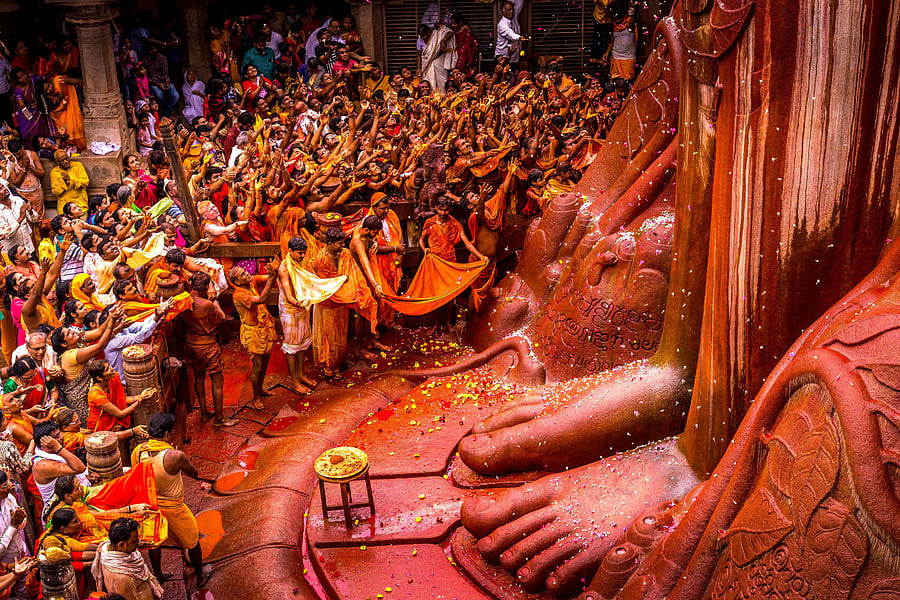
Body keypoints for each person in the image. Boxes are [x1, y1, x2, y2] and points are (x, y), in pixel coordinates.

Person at [131, 412, 211, 586]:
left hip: (151, 504)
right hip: (174, 507)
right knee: (192, 539)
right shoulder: (175, 456)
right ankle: (200, 574)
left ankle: (158, 574)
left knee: (156, 541)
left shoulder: (137, 451)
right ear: (167, 434)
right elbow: (194, 472)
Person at [277, 236, 345, 392]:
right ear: (290, 251)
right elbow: (288, 295)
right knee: (292, 346)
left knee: (302, 344)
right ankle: (294, 381)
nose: (302, 256)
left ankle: (301, 375)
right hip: (290, 310)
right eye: (299, 253)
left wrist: (330, 286)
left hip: (303, 307)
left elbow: (312, 281)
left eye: (303, 253)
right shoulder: (284, 269)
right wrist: (300, 303)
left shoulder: (303, 262)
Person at [311, 228, 379, 380]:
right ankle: (330, 367)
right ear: (330, 243)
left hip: (343, 303)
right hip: (328, 304)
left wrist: (360, 294)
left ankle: (338, 362)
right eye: (339, 244)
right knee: (329, 336)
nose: (342, 246)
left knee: (341, 336)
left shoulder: (346, 254)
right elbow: (326, 286)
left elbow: (354, 275)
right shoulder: (320, 260)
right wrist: (346, 289)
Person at [181, 272, 235, 427]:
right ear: (205, 287)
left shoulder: (185, 300)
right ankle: (219, 418)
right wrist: (215, 301)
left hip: (191, 344)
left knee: (199, 378)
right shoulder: (207, 304)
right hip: (208, 346)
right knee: (217, 382)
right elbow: (222, 317)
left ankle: (204, 413)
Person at [230, 263, 278, 407]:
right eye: (243, 275)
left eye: (245, 271)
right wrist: (271, 280)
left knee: (265, 360)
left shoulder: (251, 281)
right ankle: (256, 396)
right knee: (258, 364)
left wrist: (271, 271)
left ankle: (261, 389)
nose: (247, 274)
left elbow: (265, 277)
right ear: (237, 282)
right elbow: (261, 299)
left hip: (263, 326)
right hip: (253, 331)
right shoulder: (239, 295)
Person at [92, 517, 163, 600]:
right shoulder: (122, 579)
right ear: (121, 545)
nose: (138, 543)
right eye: (134, 541)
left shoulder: (106, 548)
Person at [86, 359, 153, 432]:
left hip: (115, 420)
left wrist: (141, 396)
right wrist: (140, 401)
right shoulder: (96, 395)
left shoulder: (114, 378)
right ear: (99, 378)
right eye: (107, 369)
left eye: (109, 366)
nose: (112, 368)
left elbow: (124, 399)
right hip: (102, 428)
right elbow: (120, 414)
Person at [31, 421, 88, 504]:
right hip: (62, 508)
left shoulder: (51, 452)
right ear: (45, 443)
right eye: (56, 436)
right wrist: (58, 447)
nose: (61, 437)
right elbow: (80, 468)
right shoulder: (43, 465)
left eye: (59, 433)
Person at [49, 150, 90, 214]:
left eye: (66, 158)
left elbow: (85, 182)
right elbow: (55, 191)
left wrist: (70, 179)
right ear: (57, 162)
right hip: (64, 208)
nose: (65, 161)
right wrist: (64, 183)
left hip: (80, 205)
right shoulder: (54, 172)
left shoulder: (78, 166)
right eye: (62, 160)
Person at [0, 181, 34, 255]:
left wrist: (30, 211)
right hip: (14, 255)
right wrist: (20, 219)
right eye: (0, 189)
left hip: (29, 249)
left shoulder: (18, 200)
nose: (5, 189)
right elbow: (7, 234)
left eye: (3, 186)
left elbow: (34, 219)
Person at [495, 0, 526, 73]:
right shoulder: (502, 25)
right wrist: (519, 37)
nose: (511, 11)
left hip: (514, 57)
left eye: (512, 9)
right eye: (509, 10)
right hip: (503, 57)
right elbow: (510, 34)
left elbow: (519, 3)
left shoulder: (513, 18)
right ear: (503, 12)